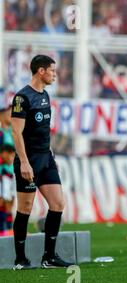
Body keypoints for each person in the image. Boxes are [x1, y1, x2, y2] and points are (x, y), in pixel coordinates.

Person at [11, 55, 73, 270]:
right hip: (29, 162)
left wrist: (50, 154)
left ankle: (49, 257)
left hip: (46, 159)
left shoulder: (45, 95)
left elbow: (43, 131)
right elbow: (16, 133)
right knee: (25, 208)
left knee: (58, 204)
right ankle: (20, 259)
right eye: (52, 71)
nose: (55, 74)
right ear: (41, 71)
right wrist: (25, 163)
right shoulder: (22, 98)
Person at [0, 104, 15, 237]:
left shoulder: (11, 130)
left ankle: (9, 228)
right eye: (9, 113)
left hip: (12, 171)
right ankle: (2, 228)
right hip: (2, 171)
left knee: (10, 200)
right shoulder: (0, 132)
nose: (11, 116)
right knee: (2, 200)